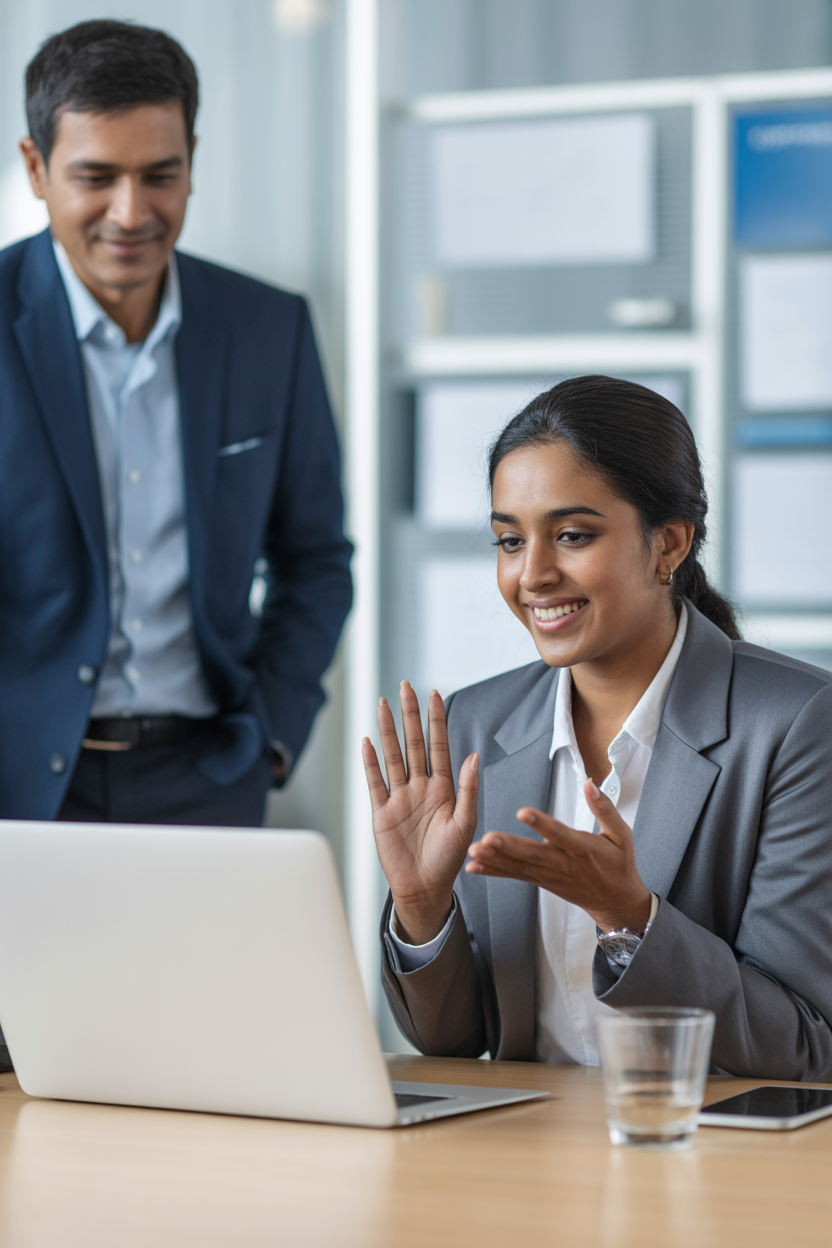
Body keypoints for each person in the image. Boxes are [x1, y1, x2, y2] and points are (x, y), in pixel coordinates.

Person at [363, 375, 832, 1081]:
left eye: (573, 536)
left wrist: (631, 917)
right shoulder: (476, 725)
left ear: (668, 543)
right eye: (509, 541)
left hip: (716, 1159)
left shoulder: (795, 725)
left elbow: (805, 1050)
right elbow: (452, 1042)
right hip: (527, 1155)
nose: (534, 575)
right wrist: (423, 911)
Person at [0, 20, 352, 826]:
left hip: (209, 777)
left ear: (192, 161)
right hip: (18, 793)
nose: (131, 213)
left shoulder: (271, 329)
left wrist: (272, 736)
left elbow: (315, 559)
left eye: (161, 175)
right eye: (96, 177)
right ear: (35, 168)